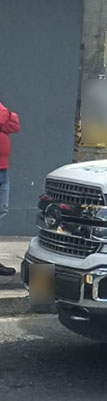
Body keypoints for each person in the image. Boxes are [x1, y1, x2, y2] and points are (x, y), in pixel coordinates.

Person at [0, 99, 18, 276]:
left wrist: (5, 116)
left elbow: (14, 124)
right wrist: (4, 116)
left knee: (1, 212)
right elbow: (4, 117)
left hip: (3, 170)